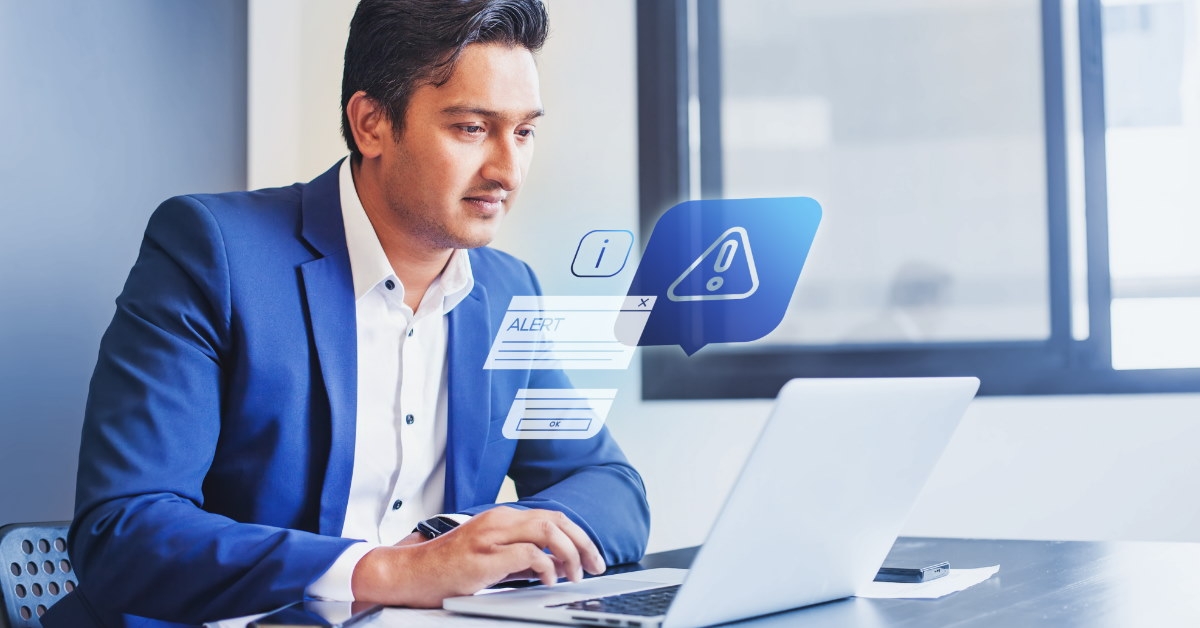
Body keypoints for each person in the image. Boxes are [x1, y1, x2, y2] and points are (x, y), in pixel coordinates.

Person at [44, 1, 650, 625]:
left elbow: (611, 490)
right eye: (472, 128)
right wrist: (393, 570)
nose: (508, 170)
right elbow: (124, 532)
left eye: (523, 131)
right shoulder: (214, 252)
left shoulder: (508, 292)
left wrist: (456, 537)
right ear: (371, 124)